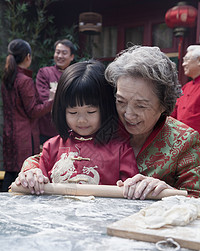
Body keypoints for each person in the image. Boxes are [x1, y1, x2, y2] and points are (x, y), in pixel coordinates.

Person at [15, 60, 138, 194]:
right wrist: (33, 177)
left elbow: (132, 190)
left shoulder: (120, 149)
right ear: (62, 111)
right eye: (73, 112)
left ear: (105, 109)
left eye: (90, 112)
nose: (82, 120)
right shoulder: (51, 147)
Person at [105, 45, 200, 198]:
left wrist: (169, 192)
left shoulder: (184, 141)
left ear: (164, 104)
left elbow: (196, 199)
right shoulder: (102, 129)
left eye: (141, 105)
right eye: (121, 101)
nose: (128, 114)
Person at [1, 38, 54, 192]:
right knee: (23, 174)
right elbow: (33, 111)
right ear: (28, 57)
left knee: (11, 172)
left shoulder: (7, 78)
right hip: (24, 136)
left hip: (9, 134)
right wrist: (52, 101)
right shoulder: (24, 80)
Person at [36, 39, 76, 144]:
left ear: (72, 57)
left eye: (64, 53)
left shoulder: (76, 75)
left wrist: (54, 97)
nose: (60, 56)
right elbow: (43, 97)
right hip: (47, 129)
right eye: (57, 52)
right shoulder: (44, 72)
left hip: (70, 128)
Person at [171, 45, 200, 133]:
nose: (183, 64)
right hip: (182, 139)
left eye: (187, 60)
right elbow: (174, 112)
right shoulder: (186, 87)